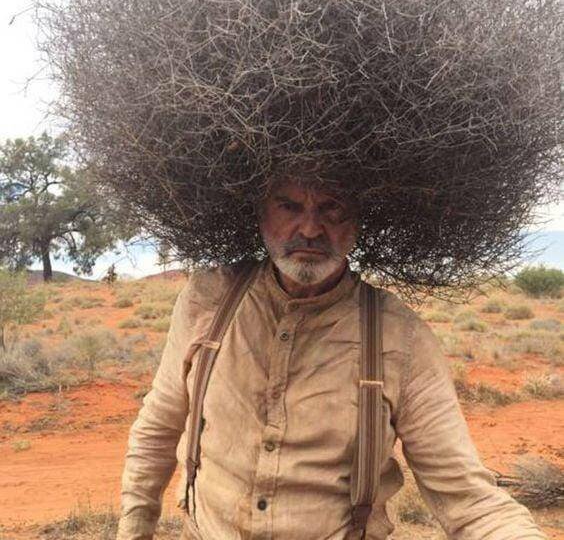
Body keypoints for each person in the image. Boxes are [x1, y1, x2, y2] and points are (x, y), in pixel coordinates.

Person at [116, 177, 546, 540]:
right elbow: (158, 427)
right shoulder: (206, 299)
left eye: (332, 208)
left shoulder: (401, 337)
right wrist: (134, 529)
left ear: (357, 221)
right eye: (289, 206)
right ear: (261, 214)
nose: (310, 228)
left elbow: (469, 498)